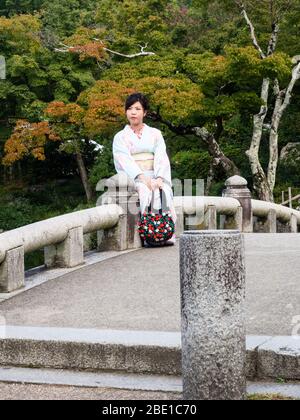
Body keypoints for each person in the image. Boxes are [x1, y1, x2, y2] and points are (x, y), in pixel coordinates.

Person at [112, 92, 177, 244]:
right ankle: (150, 236)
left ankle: (166, 234)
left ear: (145, 112)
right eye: (129, 109)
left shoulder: (155, 134)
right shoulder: (120, 137)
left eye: (137, 109)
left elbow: (161, 156)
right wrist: (142, 178)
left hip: (156, 174)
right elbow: (124, 161)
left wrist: (160, 177)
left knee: (164, 191)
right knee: (144, 191)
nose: (133, 112)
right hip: (136, 178)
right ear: (126, 111)